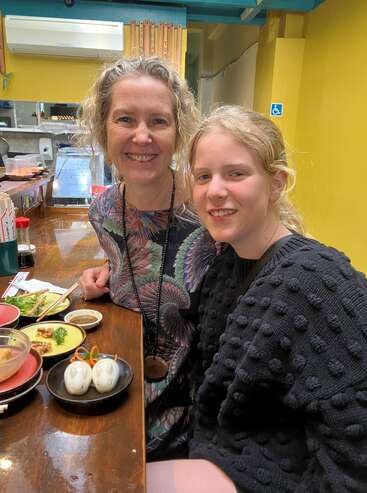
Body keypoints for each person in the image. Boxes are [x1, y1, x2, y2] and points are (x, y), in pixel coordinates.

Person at [147, 106, 367, 492]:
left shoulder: (320, 282)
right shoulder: (224, 265)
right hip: (215, 451)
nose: (215, 190)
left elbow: (355, 455)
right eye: (203, 176)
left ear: (277, 182)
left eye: (236, 173)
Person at [78, 57, 217, 460]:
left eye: (158, 121)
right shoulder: (101, 212)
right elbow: (137, 265)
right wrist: (103, 275)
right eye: (125, 119)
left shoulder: (211, 211)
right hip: (117, 401)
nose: (142, 136)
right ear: (103, 129)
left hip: (195, 426)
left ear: (178, 133)